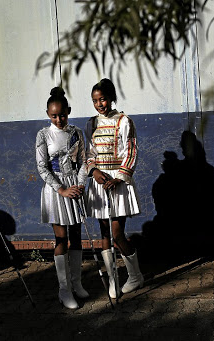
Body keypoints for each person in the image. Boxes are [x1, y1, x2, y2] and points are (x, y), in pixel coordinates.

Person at [85, 78, 143, 299]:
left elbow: (131, 152)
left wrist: (119, 177)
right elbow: (88, 154)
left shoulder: (124, 121)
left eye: (103, 99)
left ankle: (135, 275)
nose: (100, 104)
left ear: (111, 98)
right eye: (95, 101)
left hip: (118, 183)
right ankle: (112, 279)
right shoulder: (91, 124)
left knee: (118, 233)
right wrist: (94, 172)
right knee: (104, 234)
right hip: (100, 183)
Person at [36, 87, 89, 309]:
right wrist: (61, 189)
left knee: (76, 237)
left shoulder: (77, 132)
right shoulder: (43, 135)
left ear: (69, 110)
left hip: (74, 185)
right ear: (48, 114)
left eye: (62, 114)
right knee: (61, 239)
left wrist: (79, 184)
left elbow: (84, 161)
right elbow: (42, 167)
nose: (58, 119)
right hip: (55, 189)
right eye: (54, 115)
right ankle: (64, 289)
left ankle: (76, 284)